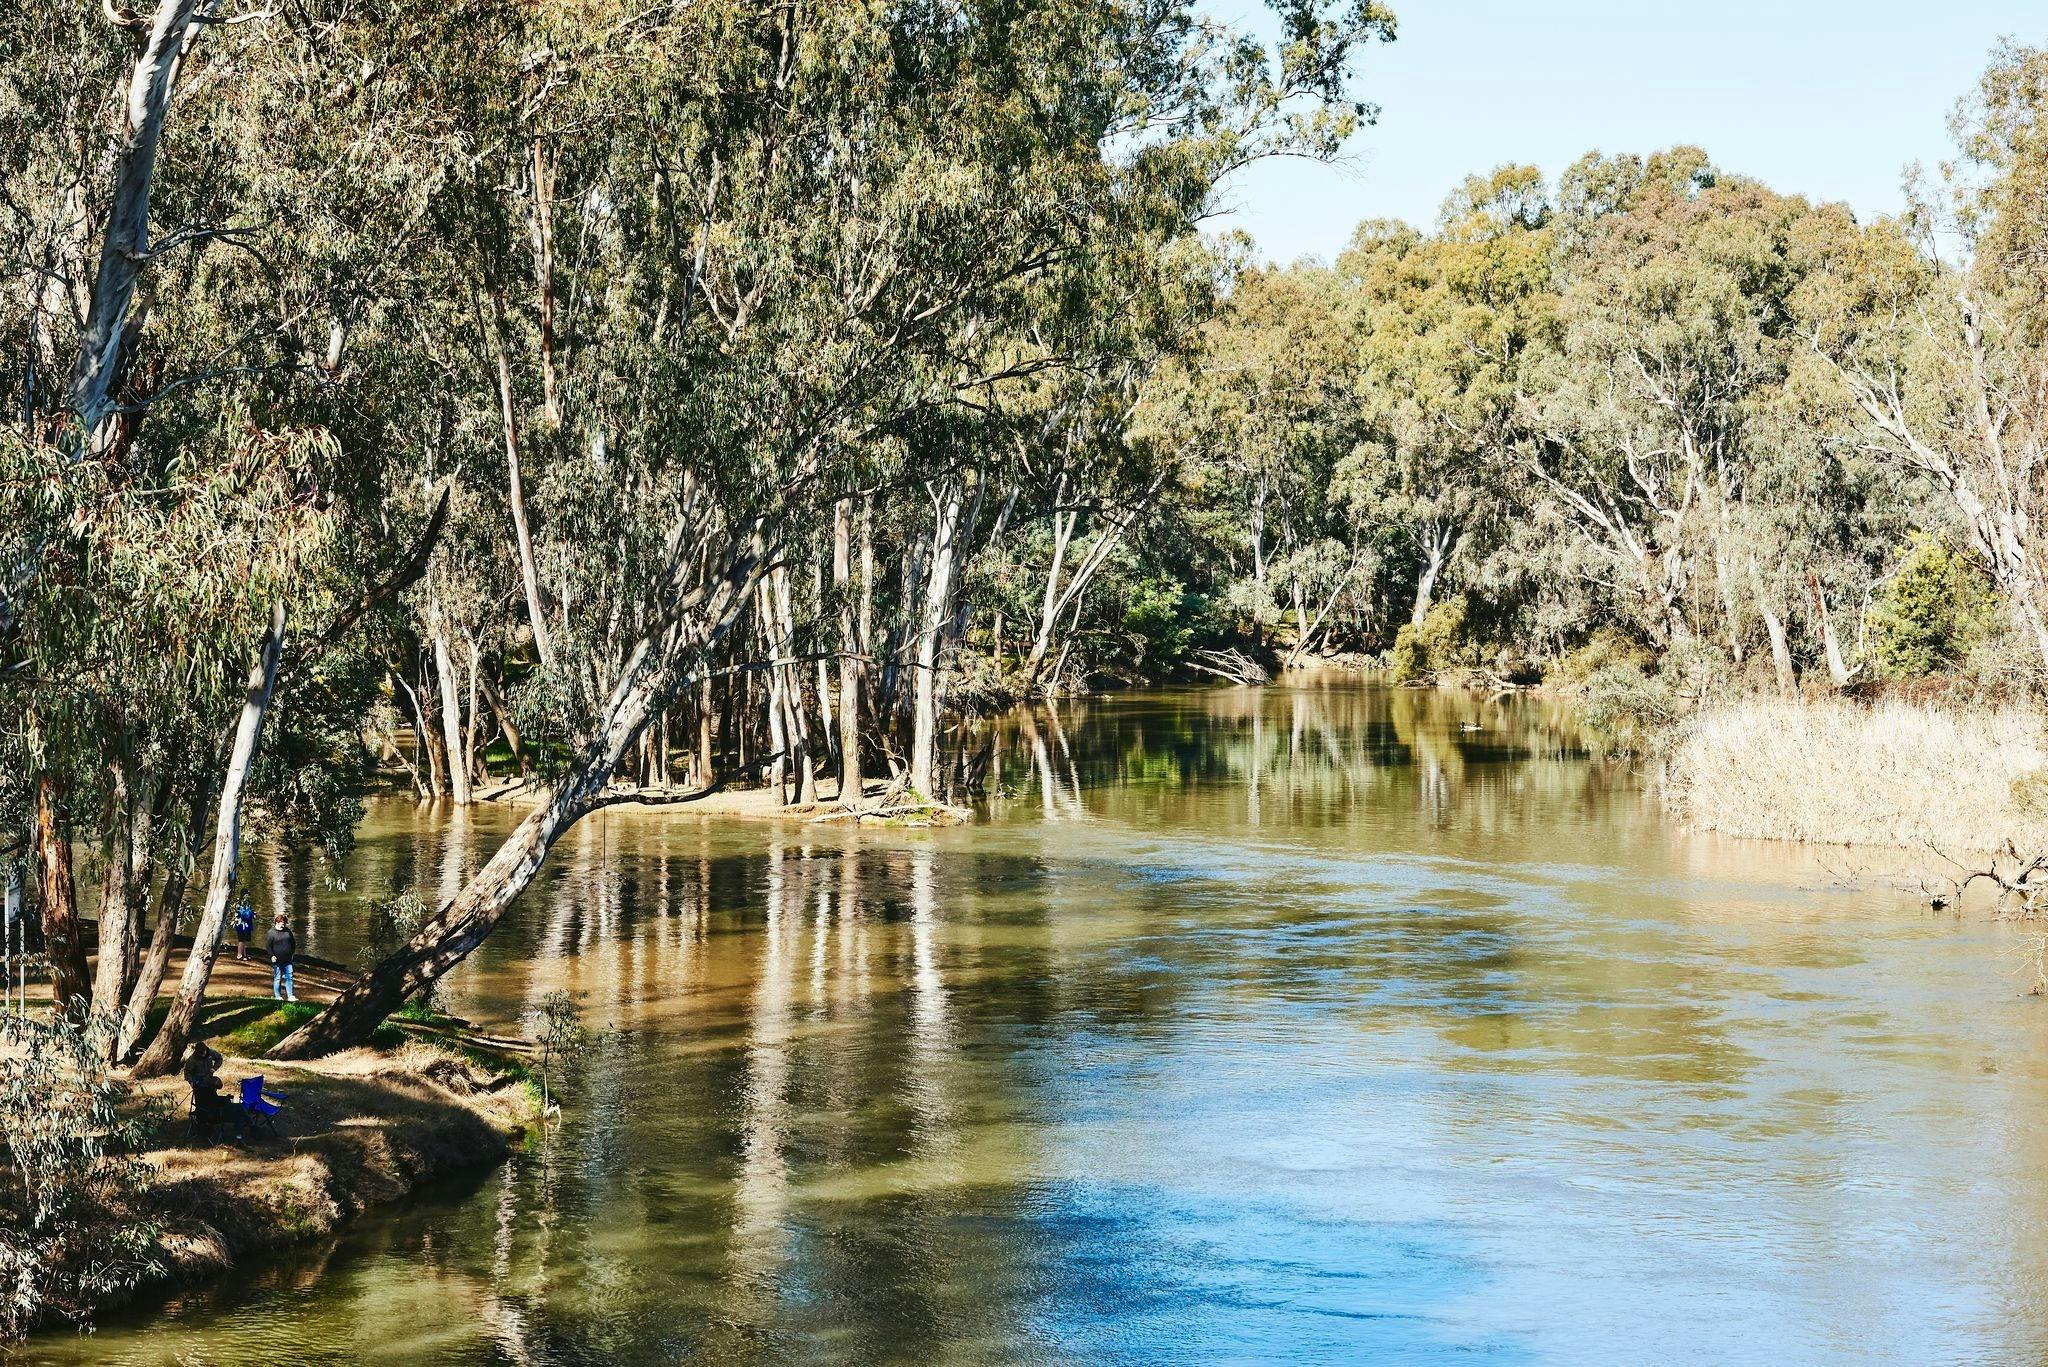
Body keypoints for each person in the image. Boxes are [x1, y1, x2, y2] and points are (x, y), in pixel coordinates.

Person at [183, 1041, 245, 1141]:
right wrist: (191, 1082)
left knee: (212, 1099)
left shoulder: (210, 1052)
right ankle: (202, 1125)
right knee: (202, 1103)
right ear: (197, 1052)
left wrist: (214, 1068)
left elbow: (219, 1058)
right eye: (201, 1053)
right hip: (198, 1084)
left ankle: (212, 1118)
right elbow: (187, 1072)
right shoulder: (192, 1059)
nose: (203, 1054)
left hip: (210, 1082)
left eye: (204, 1052)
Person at [266, 911, 297, 1002]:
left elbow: (293, 943)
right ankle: (278, 996)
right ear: (277, 923)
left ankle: (290, 995)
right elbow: (268, 946)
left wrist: (292, 953)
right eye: (281, 924)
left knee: (289, 977)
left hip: (288, 960)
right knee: (278, 978)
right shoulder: (271, 933)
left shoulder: (288, 931)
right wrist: (272, 956)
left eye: (284, 924)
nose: (283, 925)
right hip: (277, 960)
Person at [231, 888, 255, 961]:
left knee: (244, 940)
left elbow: (249, 912)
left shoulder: (247, 903)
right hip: (241, 924)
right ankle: (239, 955)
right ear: (244, 895)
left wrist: (253, 914)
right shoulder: (240, 903)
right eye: (247, 894)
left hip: (247, 925)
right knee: (241, 940)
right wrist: (251, 914)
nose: (248, 896)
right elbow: (242, 914)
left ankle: (244, 954)